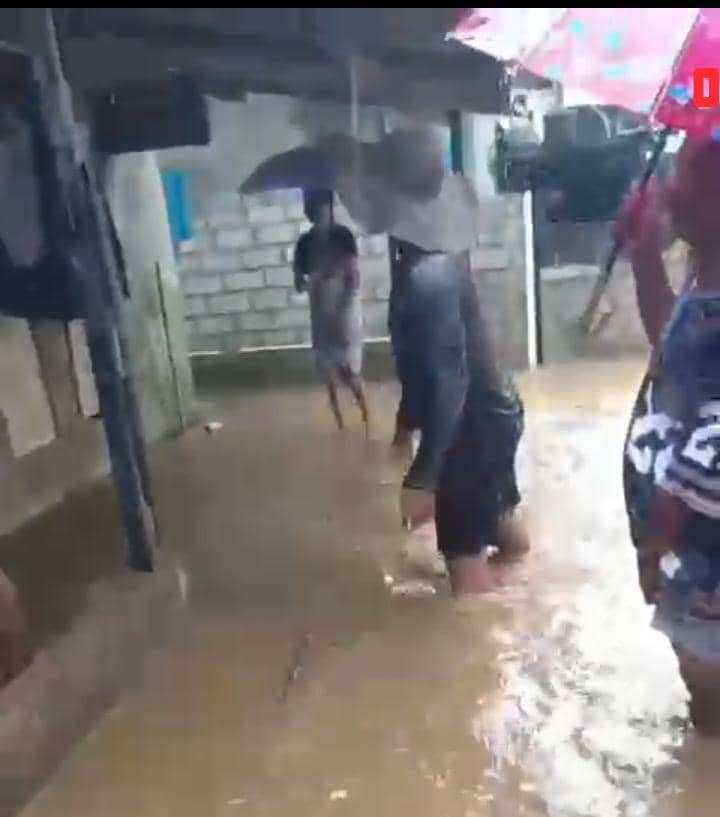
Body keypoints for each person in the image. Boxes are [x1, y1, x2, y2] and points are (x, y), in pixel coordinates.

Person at [620, 138, 720, 732]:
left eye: (683, 175)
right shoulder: (705, 276)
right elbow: (670, 342)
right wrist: (644, 257)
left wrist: (656, 542)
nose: (665, 186)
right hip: (695, 540)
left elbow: (710, 457)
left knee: (710, 719)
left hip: (702, 548)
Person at [391, 239, 529, 595]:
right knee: (506, 536)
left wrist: (425, 476)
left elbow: (449, 382)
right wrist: (404, 426)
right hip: (495, 415)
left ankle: (490, 631)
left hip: (469, 432)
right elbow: (420, 364)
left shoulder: (426, 275)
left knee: (467, 590)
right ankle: (523, 595)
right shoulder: (438, 261)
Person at [293, 189, 369, 434]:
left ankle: (367, 415)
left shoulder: (343, 237)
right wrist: (309, 282)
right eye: (314, 211)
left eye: (323, 210)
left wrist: (344, 303)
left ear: (331, 210)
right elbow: (298, 282)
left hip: (345, 308)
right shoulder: (304, 244)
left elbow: (354, 276)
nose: (320, 216)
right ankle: (341, 426)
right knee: (329, 372)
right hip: (320, 310)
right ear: (309, 214)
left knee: (348, 367)